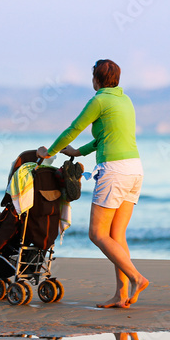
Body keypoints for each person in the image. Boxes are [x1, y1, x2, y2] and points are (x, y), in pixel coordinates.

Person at [37, 59, 148, 308]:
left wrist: (49, 152)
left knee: (97, 233)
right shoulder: (125, 100)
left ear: (96, 80)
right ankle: (121, 295)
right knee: (117, 235)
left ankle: (136, 278)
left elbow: (74, 128)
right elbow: (106, 138)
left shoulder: (98, 100)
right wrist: (77, 153)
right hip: (135, 170)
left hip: (114, 171)